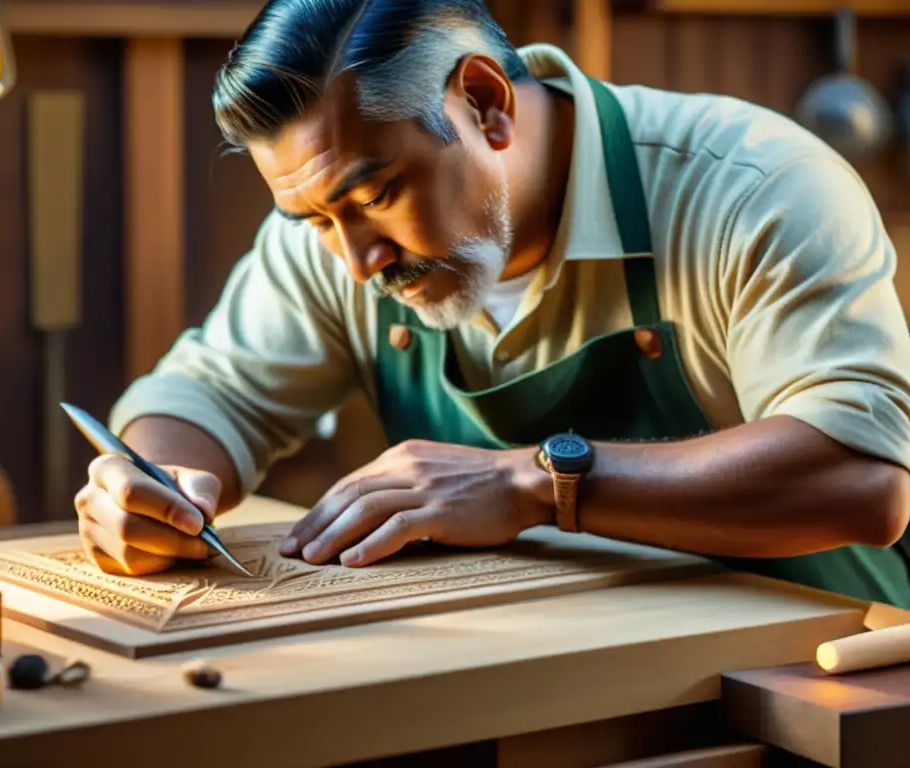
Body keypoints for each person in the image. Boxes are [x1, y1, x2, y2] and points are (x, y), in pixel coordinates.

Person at [73, 0, 910, 607]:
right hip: (534, 670)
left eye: (377, 194)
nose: (356, 261)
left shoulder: (753, 188)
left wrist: (533, 482)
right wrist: (153, 485)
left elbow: (859, 478)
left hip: (808, 666)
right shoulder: (337, 230)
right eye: (315, 218)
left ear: (484, 102)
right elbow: (210, 394)